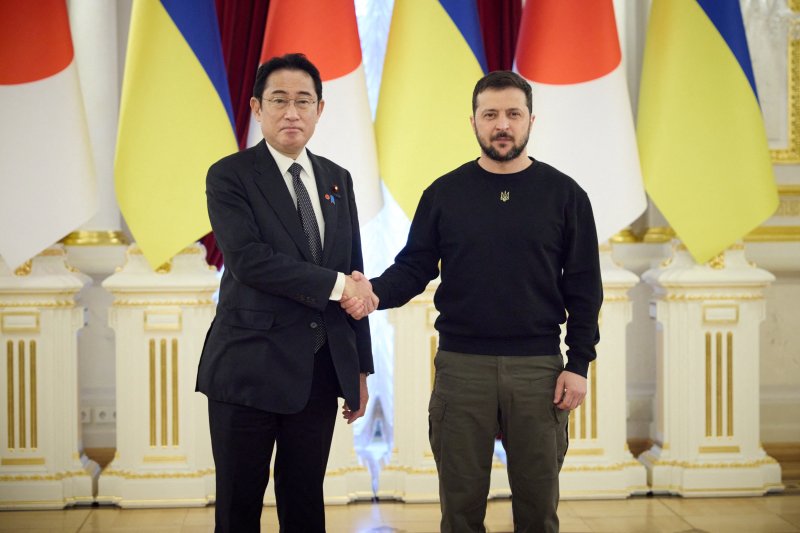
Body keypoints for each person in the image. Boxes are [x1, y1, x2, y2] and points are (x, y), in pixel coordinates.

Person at [344, 70, 602, 532]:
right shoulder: (444, 194)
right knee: (460, 511)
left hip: (540, 370)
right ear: (474, 122)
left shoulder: (565, 196)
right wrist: (372, 292)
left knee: (539, 511)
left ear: (530, 121)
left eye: (512, 114)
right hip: (462, 369)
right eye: (491, 115)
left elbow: (584, 288)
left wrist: (578, 363)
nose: (502, 125)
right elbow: (413, 268)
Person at [196, 53, 375, 533]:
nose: (291, 112)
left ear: (320, 109)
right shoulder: (230, 176)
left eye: (303, 101)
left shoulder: (338, 179)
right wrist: (340, 287)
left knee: (305, 506)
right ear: (257, 107)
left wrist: (358, 366)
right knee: (239, 507)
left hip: (318, 372)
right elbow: (250, 261)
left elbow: (354, 270)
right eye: (279, 100)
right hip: (248, 369)